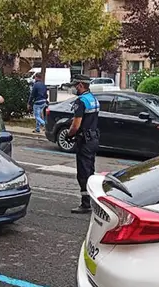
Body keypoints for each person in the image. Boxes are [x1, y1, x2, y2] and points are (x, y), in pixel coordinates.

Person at [65, 74, 100, 214]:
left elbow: (76, 125)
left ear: (80, 85)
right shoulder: (93, 99)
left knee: (83, 173)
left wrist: (69, 135)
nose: (74, 88)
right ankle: (93, 200)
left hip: (84, 141)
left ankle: (86, 204)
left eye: (75, 86)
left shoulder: (81, 101)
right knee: (90, 171)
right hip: (93, 139)